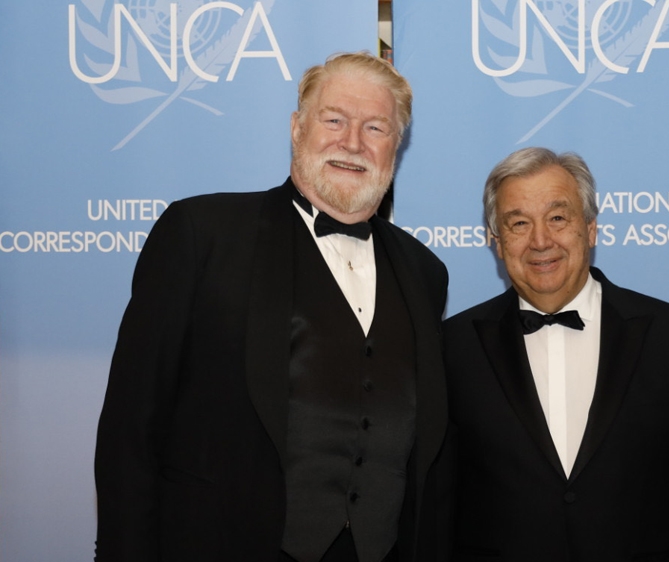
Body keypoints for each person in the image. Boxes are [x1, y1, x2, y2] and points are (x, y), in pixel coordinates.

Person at [94, 52, 449, 562]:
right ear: (297, 127)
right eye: (334, 120)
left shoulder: (425, 272)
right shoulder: (202, 234)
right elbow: (131, 427)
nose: (352, 143)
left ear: (397, 146)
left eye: (375, 127)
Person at [443, 147, 669, 562]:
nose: (541, 241)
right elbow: (439, 504)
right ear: (498, 244)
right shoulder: (453, 346)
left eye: (558, 218)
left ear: (591, 228)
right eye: (519, 223)